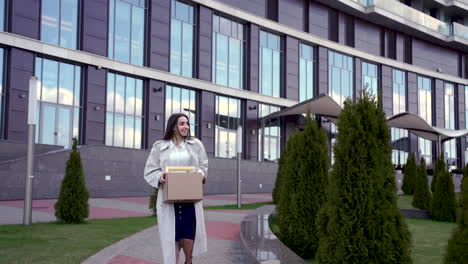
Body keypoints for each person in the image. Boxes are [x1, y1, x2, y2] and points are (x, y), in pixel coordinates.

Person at [144, 113, 208, 264]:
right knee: (172, 237)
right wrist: (160, 177)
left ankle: (189, 261)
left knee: (188, 235)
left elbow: (204, 166)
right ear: (173, 126)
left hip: (189, 198)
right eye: (182, 123)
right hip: (169, 200)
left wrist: (199, 175)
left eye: (187, 123)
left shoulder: (195, 144)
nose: (186, 126)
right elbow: (149, 170)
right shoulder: (160, 146)